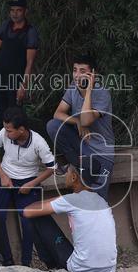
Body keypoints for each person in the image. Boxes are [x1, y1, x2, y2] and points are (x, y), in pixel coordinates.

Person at [22, 162, 118, 272]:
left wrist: (58, 199)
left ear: (73, 177)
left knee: (37, 217)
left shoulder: (71, 200)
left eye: (66, 172)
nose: (64, 175)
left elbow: (27, 212)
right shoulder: (102, 201)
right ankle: (56, 269)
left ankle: (53, 269)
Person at [0, 106, 56, 266]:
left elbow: (52, 168)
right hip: (4, 177)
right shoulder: (4, 133)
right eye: (5, 129)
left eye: (9, 130)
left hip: (27, 181)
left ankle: (26, 262)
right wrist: (2, 175)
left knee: (28, 221)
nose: (6, 133)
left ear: (21, 129)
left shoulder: (39, 143)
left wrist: (31, 184)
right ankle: (7, 260)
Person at [46, 54, 114, 199]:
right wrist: (76, 121)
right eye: (75, 70)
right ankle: (74, 164)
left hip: (101, 154)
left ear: (93, 74)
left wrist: (88, 91)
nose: (77, 75)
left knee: (98, 202)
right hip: (83, 148)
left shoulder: (102, 93)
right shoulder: (73, 88)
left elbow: (86, 120)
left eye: (82, 71)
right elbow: (58, 114)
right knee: (53, 126)